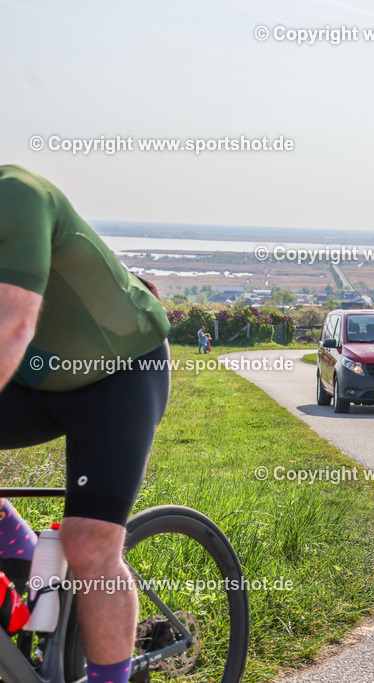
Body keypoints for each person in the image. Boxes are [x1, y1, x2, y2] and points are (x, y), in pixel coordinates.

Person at [0, 165, 171, 683]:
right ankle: (27, 561)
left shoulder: (16, 196)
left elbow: (13, 324)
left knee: (89, 544)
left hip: (117, 372)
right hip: (32, 383)